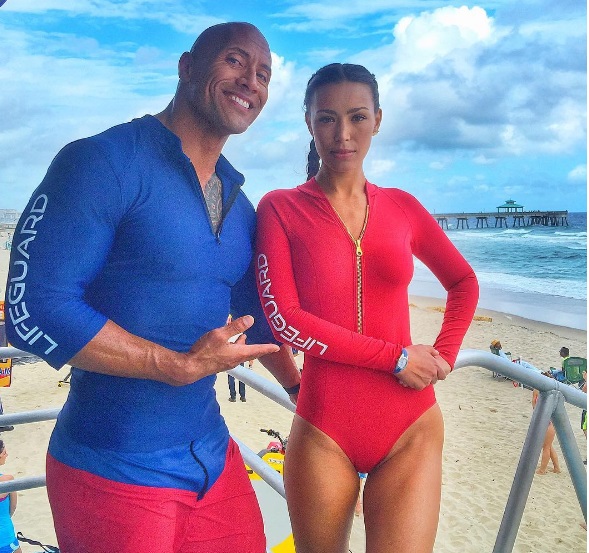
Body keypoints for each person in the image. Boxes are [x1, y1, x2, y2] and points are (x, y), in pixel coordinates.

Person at [5, 22, 301, 553]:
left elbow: (256, 315)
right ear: (187, 66)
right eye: (235, 61)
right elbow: (33, 308)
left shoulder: (240, 204)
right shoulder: (101, 162)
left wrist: (303, 393)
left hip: (212, 455)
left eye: (264, 74)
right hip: (111, 466)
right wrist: (172, 365)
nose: (251, 82)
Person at [256, 63, 479, 552]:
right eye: (327, 118)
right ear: (309, 122)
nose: (343, 134)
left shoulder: (402, 207)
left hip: (410, 426)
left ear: (377, 120)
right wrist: (397, 358)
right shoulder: (280, 208)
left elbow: (463, 282)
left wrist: (444, 354)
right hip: (324, 426)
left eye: (357, 117)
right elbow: (285, 320)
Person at [532, 374, 561, 475]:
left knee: (546, 446)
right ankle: (556, 467)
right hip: (551, 420)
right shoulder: (555, 391)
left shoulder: (536, 389)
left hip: (544, 420)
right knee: (548, 445)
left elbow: (534, 404)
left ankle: (542, 469)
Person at [0, 441, 20, 553]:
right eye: (4, 453)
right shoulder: (7, 480)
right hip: (5, 536)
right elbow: (13, 507)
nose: (7, 455)